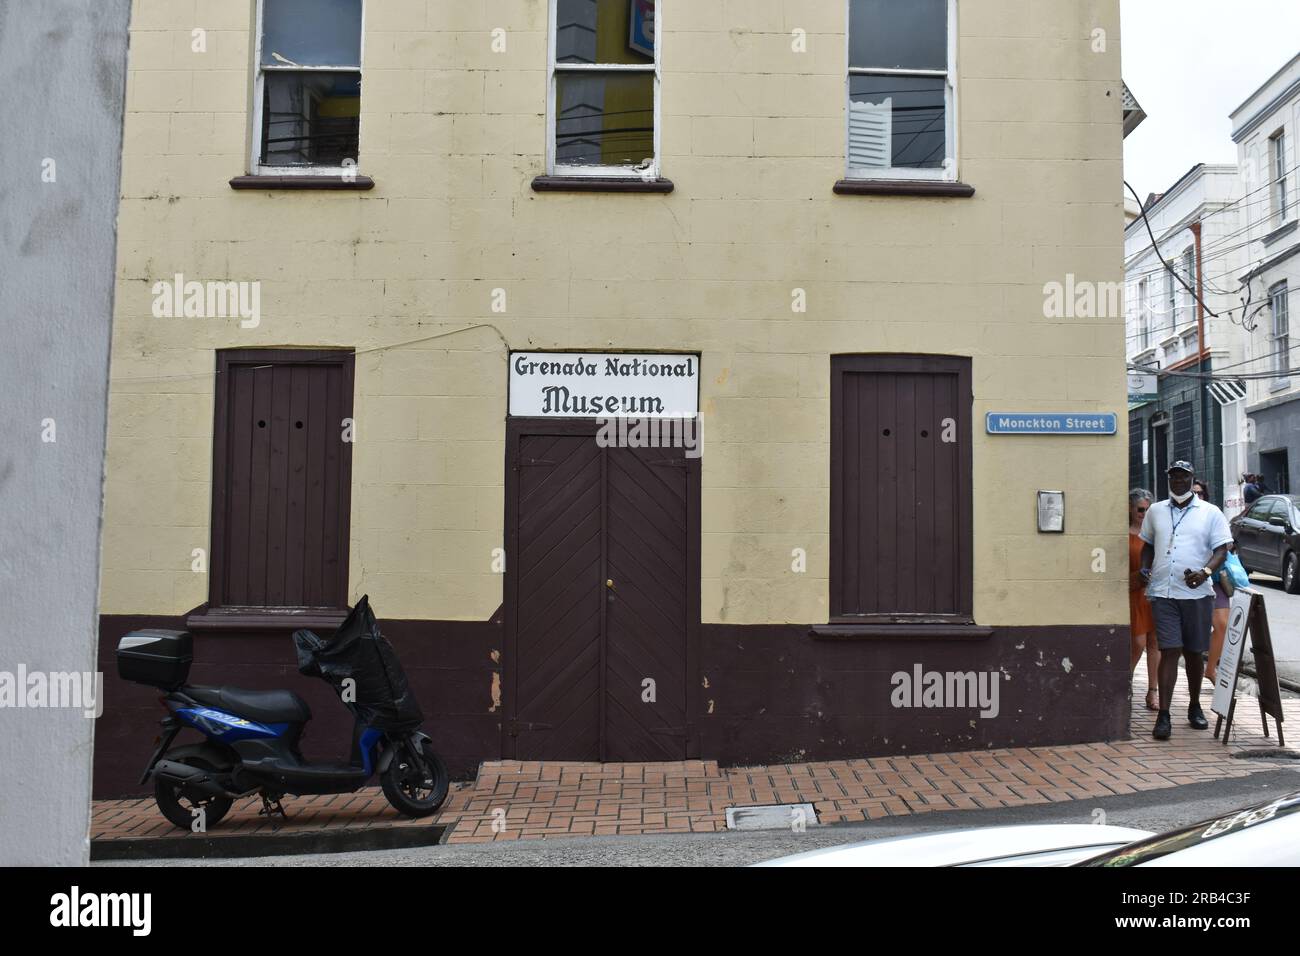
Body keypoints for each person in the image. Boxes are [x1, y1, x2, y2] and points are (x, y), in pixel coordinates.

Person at [1138, 461, 1232, 740]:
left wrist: (1205, 572)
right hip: (1163, 592)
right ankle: (1164, 716)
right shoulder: (1156, 511)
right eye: (1174, 476)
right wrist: (1145, 567)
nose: (1178, 481)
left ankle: (1194, 706)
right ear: (1169, 479)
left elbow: (1221, 550)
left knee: (1193, 652)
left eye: (1184, 476)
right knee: (1170, 649)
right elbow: (1148, 545)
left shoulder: (1210, 512)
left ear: (1192, 479)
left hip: (1197, 594)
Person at [1193, 479, 1231, 685]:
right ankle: (1196, 668)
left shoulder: (1213, 514)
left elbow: (1226, 544)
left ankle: (1211, 669)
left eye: (1200, 493)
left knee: (1223, 625)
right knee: (1192, 631)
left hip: (1216, 578)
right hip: (1191, 580)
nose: (1197, 496)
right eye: (1193, 492)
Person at [1128, 489, 1159, 710]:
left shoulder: (1156, 533)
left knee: (1155, 643)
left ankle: (1152, 692)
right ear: (1130, 509)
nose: (1144, 513)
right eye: (1140, 509)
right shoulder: (1124, 535)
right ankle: (1125, 682)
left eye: (1148, 509)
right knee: (1138, 643)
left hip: (1154, 593)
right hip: (1134, 593)